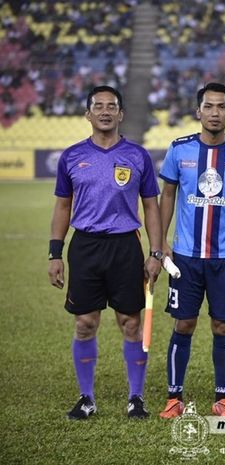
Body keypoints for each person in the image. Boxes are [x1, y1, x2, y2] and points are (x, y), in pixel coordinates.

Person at [48, 85, 162, 420]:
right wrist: (55, 253)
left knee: (131, 322)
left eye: (112, 106)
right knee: (85, 323)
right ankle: (86, 398)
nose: (105, 111)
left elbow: (151, 206)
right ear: (88, 114)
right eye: (98, 106)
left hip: (125, 245)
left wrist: (155, 253)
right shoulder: (71, 156)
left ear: (121, 114)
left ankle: (135, 398)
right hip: (85, 247)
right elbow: (63, 205)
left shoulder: (138, 156)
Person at [157, 82, 225, 418]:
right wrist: (159, 244)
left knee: (223, 326)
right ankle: (174, 397)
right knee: (183, 324)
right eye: (209, 107)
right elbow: (167, 196)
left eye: (221, 107)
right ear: (198, 111)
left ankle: (223, 398)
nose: (215, 113)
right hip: (186, 257)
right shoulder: (179, 150)